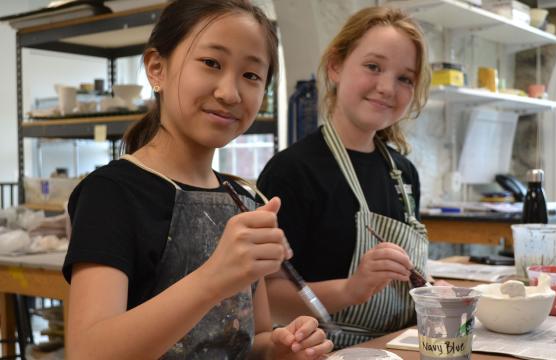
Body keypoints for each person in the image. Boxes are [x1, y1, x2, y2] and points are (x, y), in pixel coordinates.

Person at [62, 1, 332, 358]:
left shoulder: (245, 200)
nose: (229, 92)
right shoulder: (111, 193)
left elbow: (254, 340)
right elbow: (88, 352)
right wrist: (213, 278)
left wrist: (283, 347)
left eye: (251, 75)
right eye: (211, 63)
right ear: (157, 68)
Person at [257, 6, 431, 348]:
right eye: (373, 67)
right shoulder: (292, 171)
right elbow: (268, 296)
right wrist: (352, 289)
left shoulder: (403, 173)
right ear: (335, 66)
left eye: (404, 78)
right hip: (326, 349)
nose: (386, 87)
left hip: (400, 345)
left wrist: (429, 290)